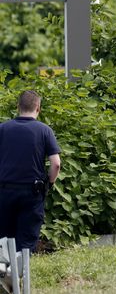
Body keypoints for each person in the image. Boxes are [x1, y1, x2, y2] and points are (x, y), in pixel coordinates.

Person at [0, 90, 61, 252]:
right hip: (32, 192)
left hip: (5, 191)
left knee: (4, 239)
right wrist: (50, 183)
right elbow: (56, 164)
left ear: (18, 106)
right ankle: (22, 274)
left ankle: (5, 272)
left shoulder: (3, 129)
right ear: (38, 108)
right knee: (27, 241)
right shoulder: (44, 130)